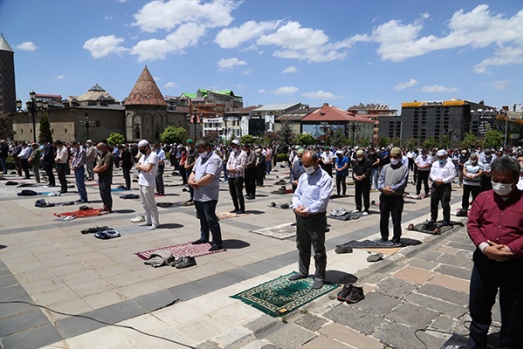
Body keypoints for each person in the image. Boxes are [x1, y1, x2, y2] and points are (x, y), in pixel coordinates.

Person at [466, 156, 522, 349]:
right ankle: (476, 344)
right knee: (479, 306)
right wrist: (484, 247)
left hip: (514, 266)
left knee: (513, 311)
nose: (499, 184)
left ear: (515, 179)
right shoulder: (483, 198)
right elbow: (473, 224)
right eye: (496, 180)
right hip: (484, 263)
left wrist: (511, 249)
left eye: (504, 181)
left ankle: (509, 344)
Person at [289, 150, 333, 290]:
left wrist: (307, 211)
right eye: (303, 164)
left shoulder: (325, 179)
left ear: (316, 162)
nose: (305, 167)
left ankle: (320, 276)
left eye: (308, 164)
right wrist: (296, 208)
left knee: (318, 248)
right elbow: (297, 194)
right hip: (301, 217)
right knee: (302, 245)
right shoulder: (303, 177)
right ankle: (303, 271)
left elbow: (322, 200)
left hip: (315, 218)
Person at [189, 139, 223, 251]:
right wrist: (191, 181)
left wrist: (197, 183)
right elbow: (193, 172)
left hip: (209, 194)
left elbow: (209, 176)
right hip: (198, 193)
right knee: (202, 217)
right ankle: (204, 237)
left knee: (211, 219)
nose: (199, 153)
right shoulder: (200, 158)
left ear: (208, 148)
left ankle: (217, 242)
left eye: (201, 150)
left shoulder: (214, 159)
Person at [377, 147, 409, 243]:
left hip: (396, 197)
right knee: (383, 218)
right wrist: (383, 188)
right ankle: (384, 236)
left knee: (396, 219)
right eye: (391, 157)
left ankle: (396, 238)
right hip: (384, 197)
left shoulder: (404, 169)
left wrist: (391, 189)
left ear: (399, 157)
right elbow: (380, 179)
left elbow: (403, 182)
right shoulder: (386, 167)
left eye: (395, 157)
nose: (393, 159)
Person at [136, 140, 160, 230]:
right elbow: (137, 166)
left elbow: (148, 169)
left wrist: (141, 167)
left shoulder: (153, 156)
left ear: (146, 147)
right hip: (141, 181)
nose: (140, 150)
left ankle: (155, 223)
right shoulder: (143, 156)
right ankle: (148, 221)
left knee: (151, 204)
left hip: (148, 183)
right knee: (144, 204)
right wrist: (142, 167)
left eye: (141, 148)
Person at [428, 149, 455, 227]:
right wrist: (435, 180)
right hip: (435, 185)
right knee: (433, 202)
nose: (440, 159)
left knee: (445, 203)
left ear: (446, 156)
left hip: (445, 185)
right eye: (439, 157)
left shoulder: (450, 165)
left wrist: (443, 181)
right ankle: (433, 218)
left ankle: (446, 220)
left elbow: (452, 175)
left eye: (442, 157)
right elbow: (432, 173)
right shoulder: (435, 164)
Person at [226, 139, 247, 213]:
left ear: (238, 146)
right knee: (232, 193)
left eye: (234, 145)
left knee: (239, 193)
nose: (232, 147)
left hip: (238, 176)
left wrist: (234, 169)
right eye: (232, 145)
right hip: (231, 176)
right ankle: (236, 207)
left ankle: (242, 209)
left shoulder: (243, 154)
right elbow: (228, 162)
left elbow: (243, 165)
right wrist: (228, 168)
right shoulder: (231, 153)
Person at [93, 142, 113, 213]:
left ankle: (108, 206)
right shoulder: (102, 155)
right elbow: (99, 164)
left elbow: (105, 165)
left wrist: (97, 170)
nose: (98, 150)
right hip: (101, 176)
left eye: (99, 149)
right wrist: (95, 169)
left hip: (106, 176)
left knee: (106, 192)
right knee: (102, 192)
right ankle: (105, 206)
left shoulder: (108, 155)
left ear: (103, 147)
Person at [352, 149, 372, 215]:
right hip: (357, 180)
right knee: (357, 194)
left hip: (365, 180)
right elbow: (354, 170)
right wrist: (355, 176)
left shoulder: (368, 161)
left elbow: (368, 171)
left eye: (360, 156)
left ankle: (366, 209)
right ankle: (358, 207)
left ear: (363, 155)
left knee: (365, 195)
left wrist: (362, 177)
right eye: (357, 156)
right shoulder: (356, 161)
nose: (358, 158)